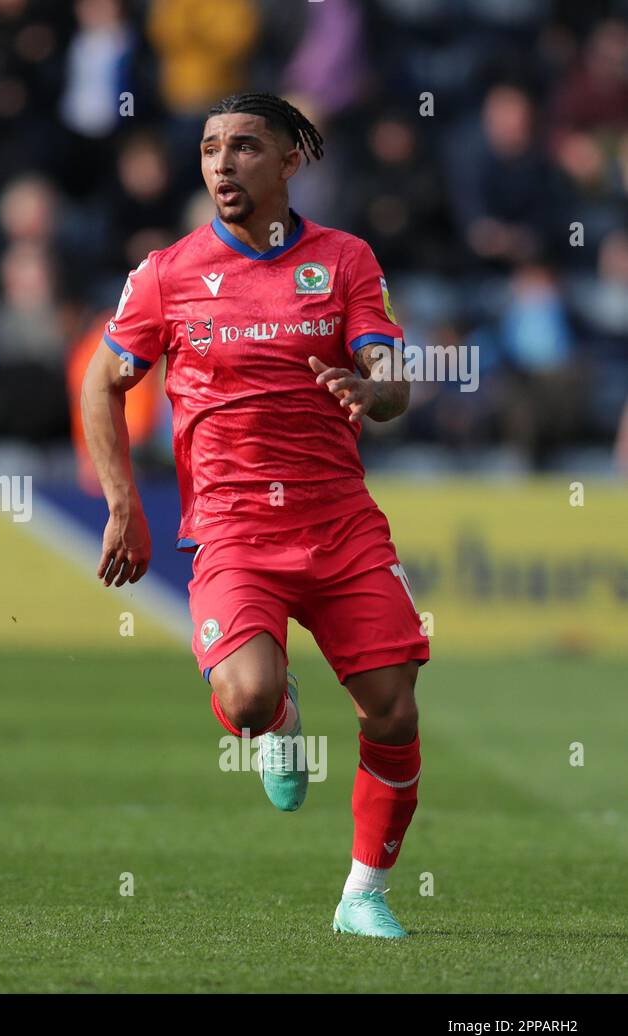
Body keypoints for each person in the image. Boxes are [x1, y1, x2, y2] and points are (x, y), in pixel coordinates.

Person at [80, 92, 429, 938]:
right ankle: (278, 721)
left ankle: (363, 896)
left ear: (288, 162)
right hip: (233, 530)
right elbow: (104, 381)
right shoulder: (167, 272)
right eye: (208, 149)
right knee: (244, 698)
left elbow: (394, 381)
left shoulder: (345, 260)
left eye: (243, 147)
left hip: (340, 523)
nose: (222, 165)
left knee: (392, 707)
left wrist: (370, 389)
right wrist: (125, 504)